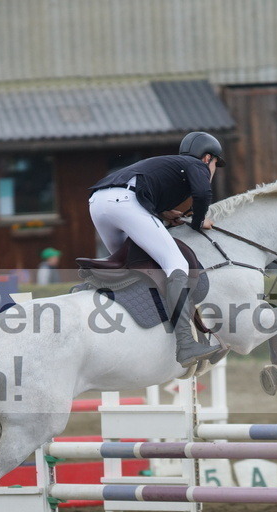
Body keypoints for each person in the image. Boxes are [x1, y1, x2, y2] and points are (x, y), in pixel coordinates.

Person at [87, 131, 225, 366]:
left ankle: (119, 325)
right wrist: (199, 219)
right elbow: (202, 194)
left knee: (126, 266)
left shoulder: (169, 165)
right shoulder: (196, 165)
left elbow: (143, 192)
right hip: (125, 203)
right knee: (176, 264)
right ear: (207, 158)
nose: (212, 170)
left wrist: (162, 212)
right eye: (215, 165)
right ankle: (186, 344)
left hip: (97, 203)